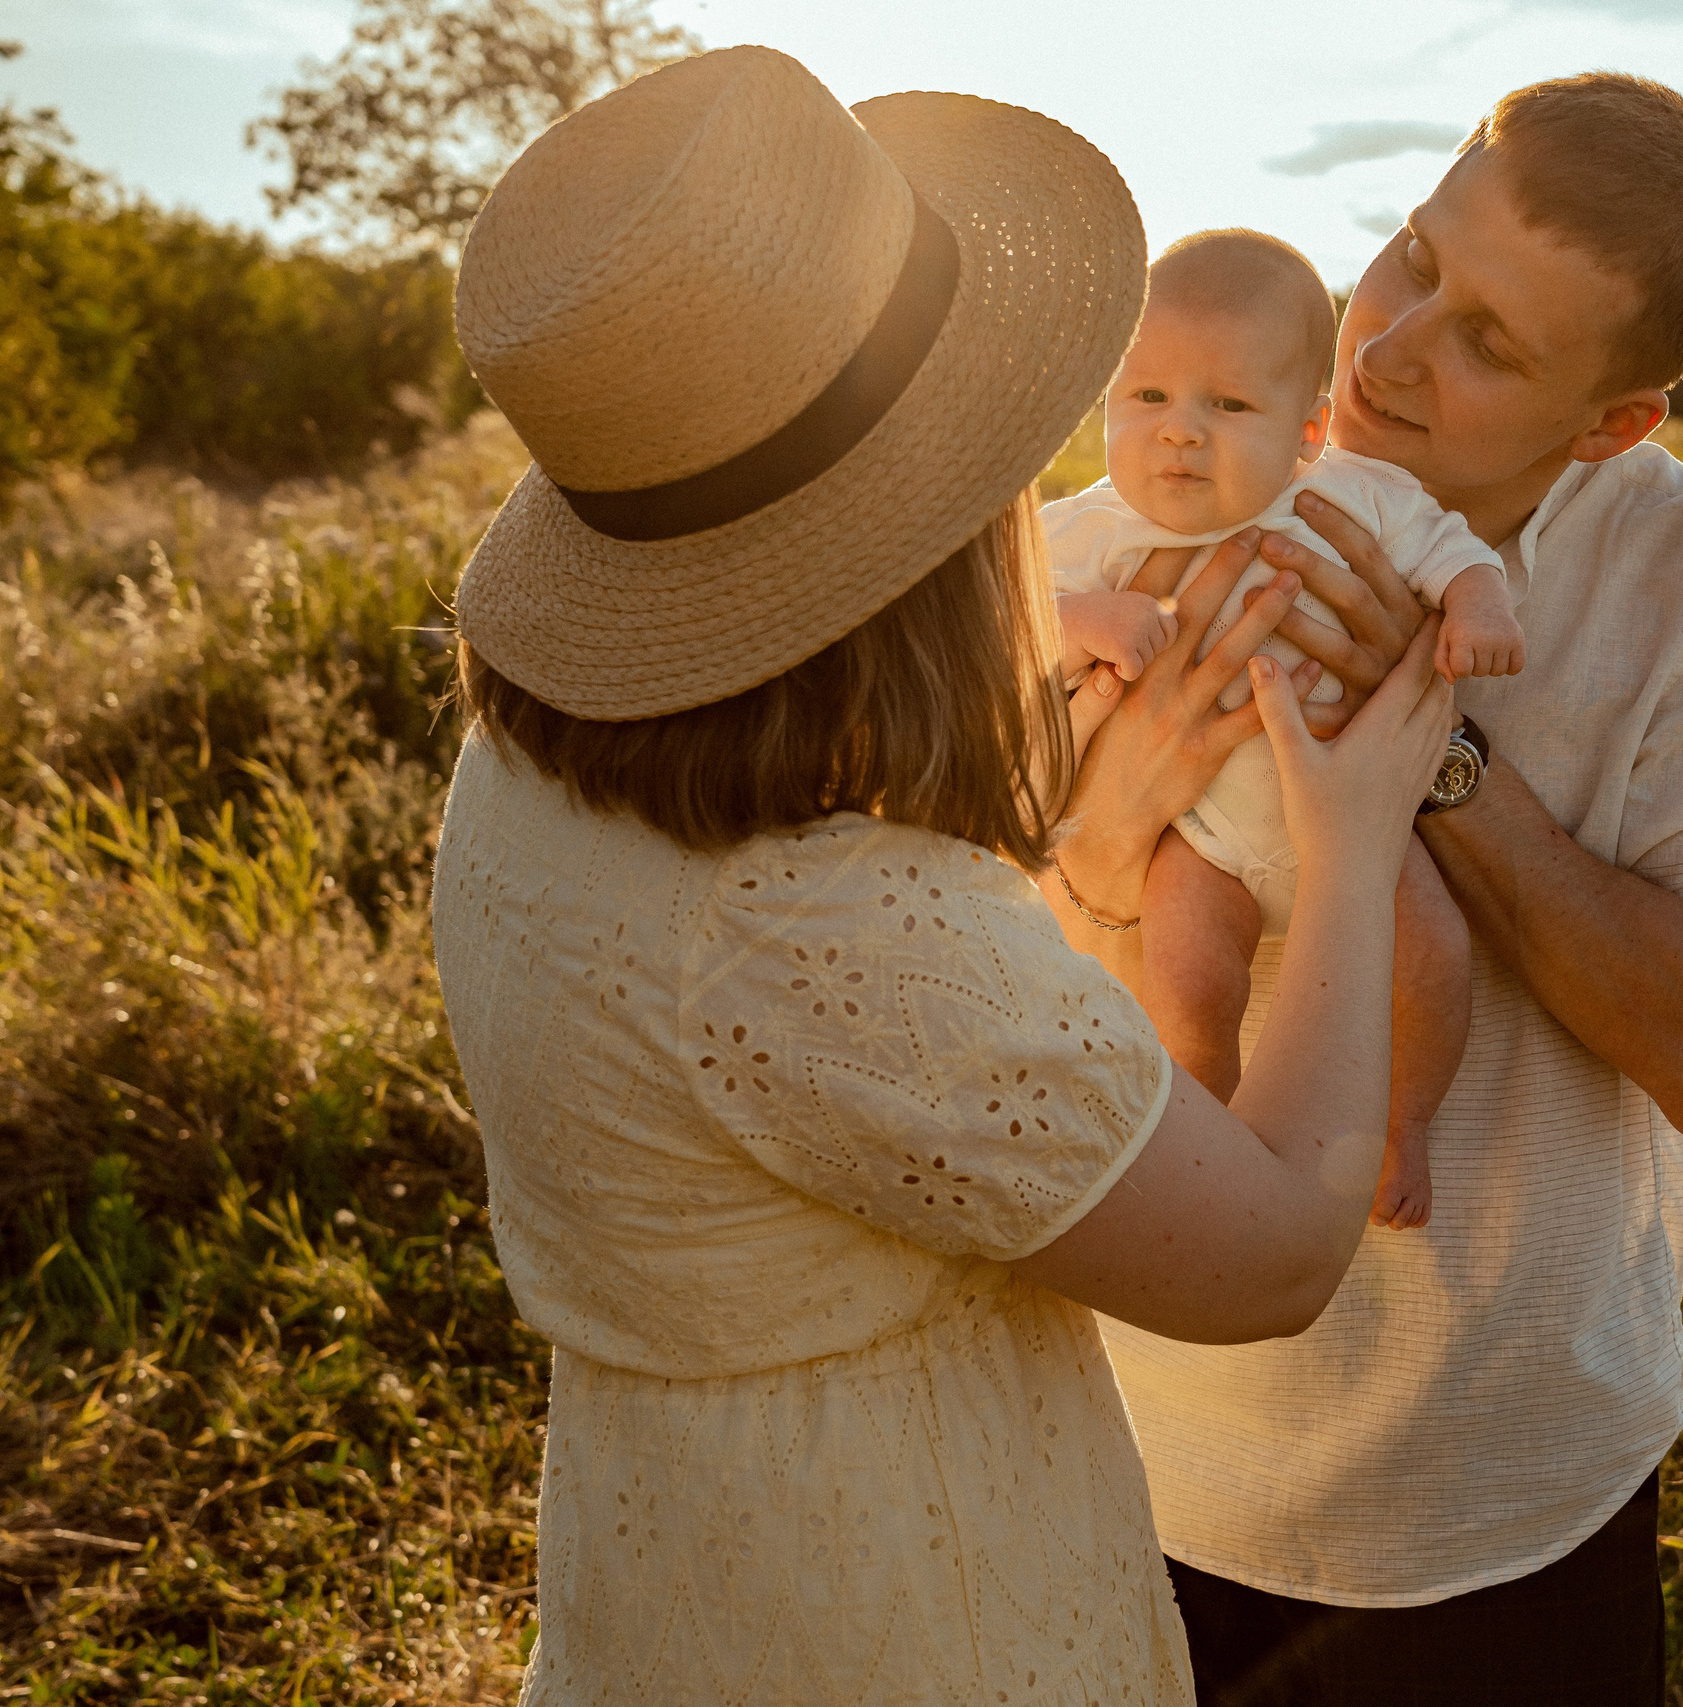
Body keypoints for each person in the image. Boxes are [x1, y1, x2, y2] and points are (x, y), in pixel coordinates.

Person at [427, 46, 1451, 1705]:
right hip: (911, 1612)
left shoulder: (528, 769)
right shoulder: (830, 921)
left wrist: (1101, 840)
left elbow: (897, 1092)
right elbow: (1271, 1254)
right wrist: (1351, 846)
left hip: (658, 1569)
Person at [1052, 73, 1683, 1701]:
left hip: (1499, 1492)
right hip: (1124, 1438)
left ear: (1611, 420)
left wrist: (1438, 758)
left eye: (1488, 342)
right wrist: (1112, 814)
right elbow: (973, 930)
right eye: (1413, 257)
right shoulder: (1181, 466)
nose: (1388, 349)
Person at [1046, 228, 1523, 1230]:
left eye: (1226, 405)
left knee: (1431, 956)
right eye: (1146, 397)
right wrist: (1085, 619)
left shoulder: (1349, 496)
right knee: (1186, 984)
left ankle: (1404, 1125)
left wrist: (1478, 609)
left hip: (1360, 827)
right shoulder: (1090, 531)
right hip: (1202, 841)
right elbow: (1009, 620)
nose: (1179, 432)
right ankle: (1197, 1130)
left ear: (1307, 433)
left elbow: (1451, 550)